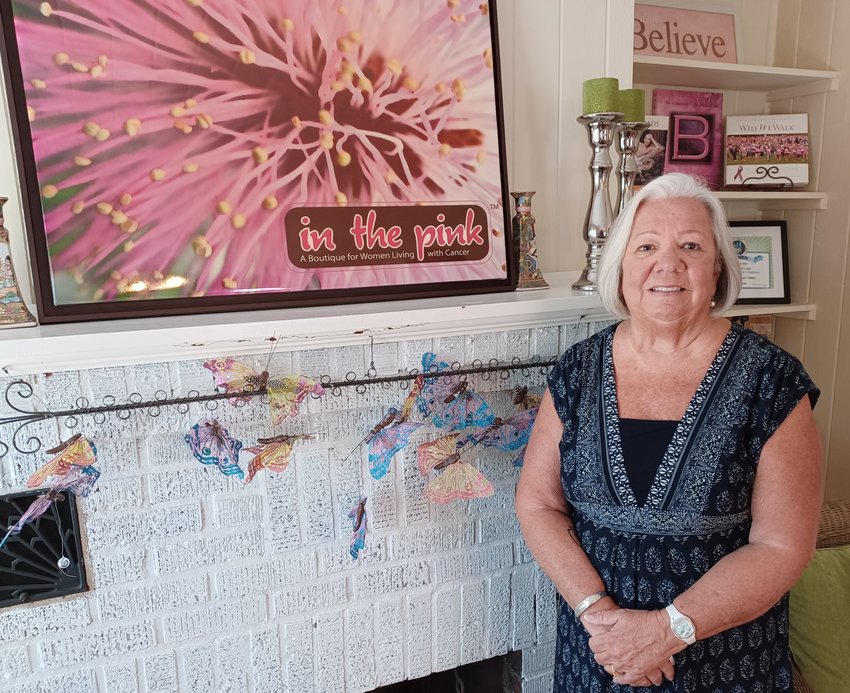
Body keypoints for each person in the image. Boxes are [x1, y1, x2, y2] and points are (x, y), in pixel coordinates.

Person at [515, 172, 822, 692]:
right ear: (621, 266)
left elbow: (781, 546)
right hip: (598, 656)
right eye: (647, 246)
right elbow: (538, 505)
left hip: (723, 664)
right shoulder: (576, 371)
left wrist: (667, 630)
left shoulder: (773, 382)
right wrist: (599, 616)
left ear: (718, 266)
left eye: (691, 246)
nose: (668, 263)